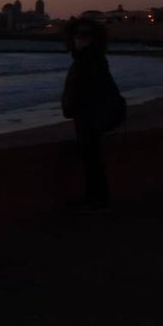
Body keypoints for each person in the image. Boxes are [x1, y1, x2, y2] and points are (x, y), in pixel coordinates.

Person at [61, 17, 125, 210]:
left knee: (92, 161)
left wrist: (76, 107)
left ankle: (95, 200)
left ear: (94, 38)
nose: (80, 38)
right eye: (78, 34)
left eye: (85, 34)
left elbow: (90, 89)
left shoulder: (90, 60)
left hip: (89, 117)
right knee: (92, 161)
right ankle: (96, 198)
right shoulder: (87, 59)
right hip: (87, 116)